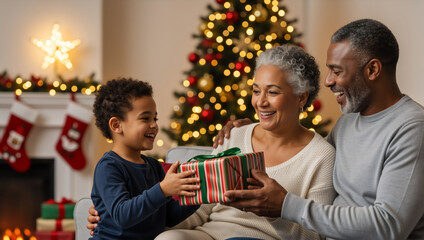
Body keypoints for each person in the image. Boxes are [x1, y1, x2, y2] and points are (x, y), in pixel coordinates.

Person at [89, 45, 336, 239]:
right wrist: (116, 219)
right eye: (256, 90)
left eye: (272, 92)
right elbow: (198, 209)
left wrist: (275, 209)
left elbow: (314, 235)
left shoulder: (320, 156)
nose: (260, 102)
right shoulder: (235, 135)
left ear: (301, 97)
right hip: (210, 234)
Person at [219, 19, 424, 239]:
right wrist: (259, 128)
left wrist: (287, 205)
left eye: (336, 71)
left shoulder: (412, 129)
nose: (327, 81)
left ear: (372, 69)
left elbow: (389, 226)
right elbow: (307, 152)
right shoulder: (348, 122)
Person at [90, 78, 200, 239]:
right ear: (116, 125)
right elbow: (122, 215)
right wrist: (162, 190)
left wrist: (197, 197)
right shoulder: (108, 166)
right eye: (145, 118)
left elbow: (169, 217)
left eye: (154, 118)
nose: (154, 125)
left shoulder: (154, 167)